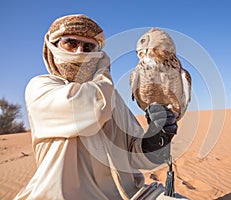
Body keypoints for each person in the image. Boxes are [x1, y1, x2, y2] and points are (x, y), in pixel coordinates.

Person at [15, 14, 181, 200]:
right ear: (53, 46)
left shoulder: (110, 96)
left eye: (88, 47)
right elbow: (94, 107)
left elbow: (134, 154)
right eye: (70, 43)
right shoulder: (41, 87)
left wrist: (156, 139)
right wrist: (103, 70)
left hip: (130, 195)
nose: (80, 52)